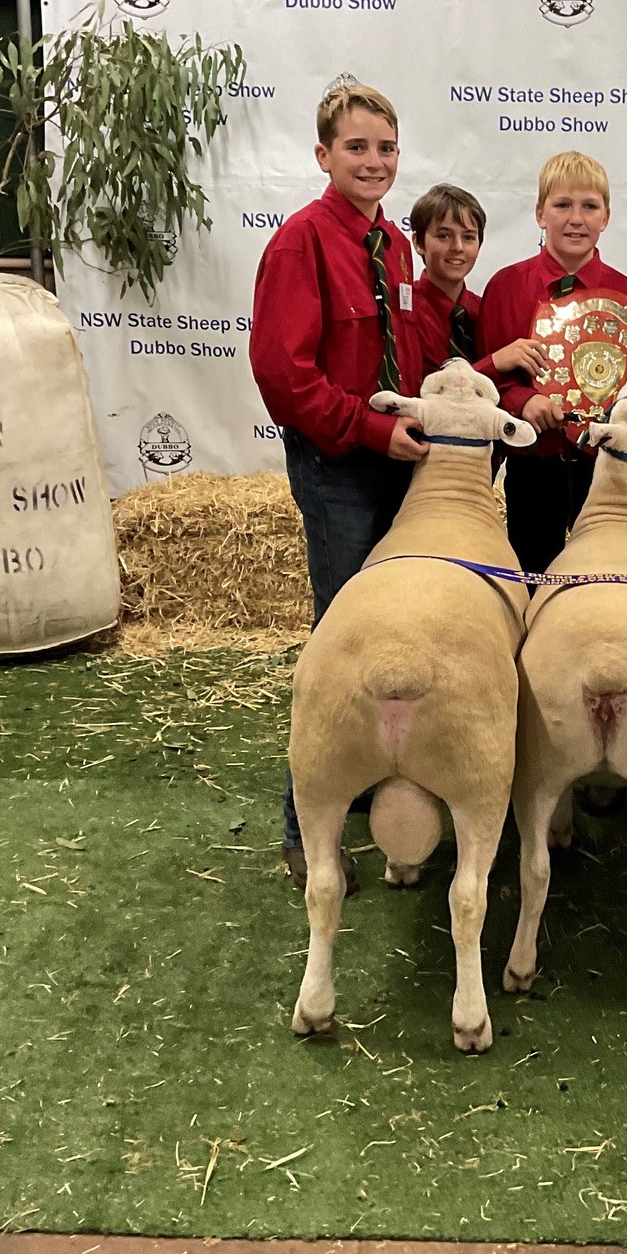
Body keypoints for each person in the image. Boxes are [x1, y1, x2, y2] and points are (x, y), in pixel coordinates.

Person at [250, 81, 432, 894]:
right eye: (357, 148)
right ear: (323, 156)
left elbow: (408, 347)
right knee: (338, 646)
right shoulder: (300, 243)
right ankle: (304, 831)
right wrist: (368, 430)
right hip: (341, 469)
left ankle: (382, 802)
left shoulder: (393, 245)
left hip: (396, 462)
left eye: (386, 148)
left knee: (397, 635)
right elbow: (285, 378)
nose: (374, 161)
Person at [476, 151, 627, 574]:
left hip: (607, 472)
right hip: (533, 466)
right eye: (562, 205)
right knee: (533, 580)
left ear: (606, 216)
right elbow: (487, 381)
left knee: (606, 581)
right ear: (540, 214)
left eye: (590, 206)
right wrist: (521, 401)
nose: (577, 219)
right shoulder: (505, 287)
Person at [407, 182, 550, 385]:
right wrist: (494, 363)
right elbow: (424, 390)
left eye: (468, 237)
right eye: (443, 235)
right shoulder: (404, 312)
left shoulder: (486, 310)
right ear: (418, 242)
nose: (457, 247)